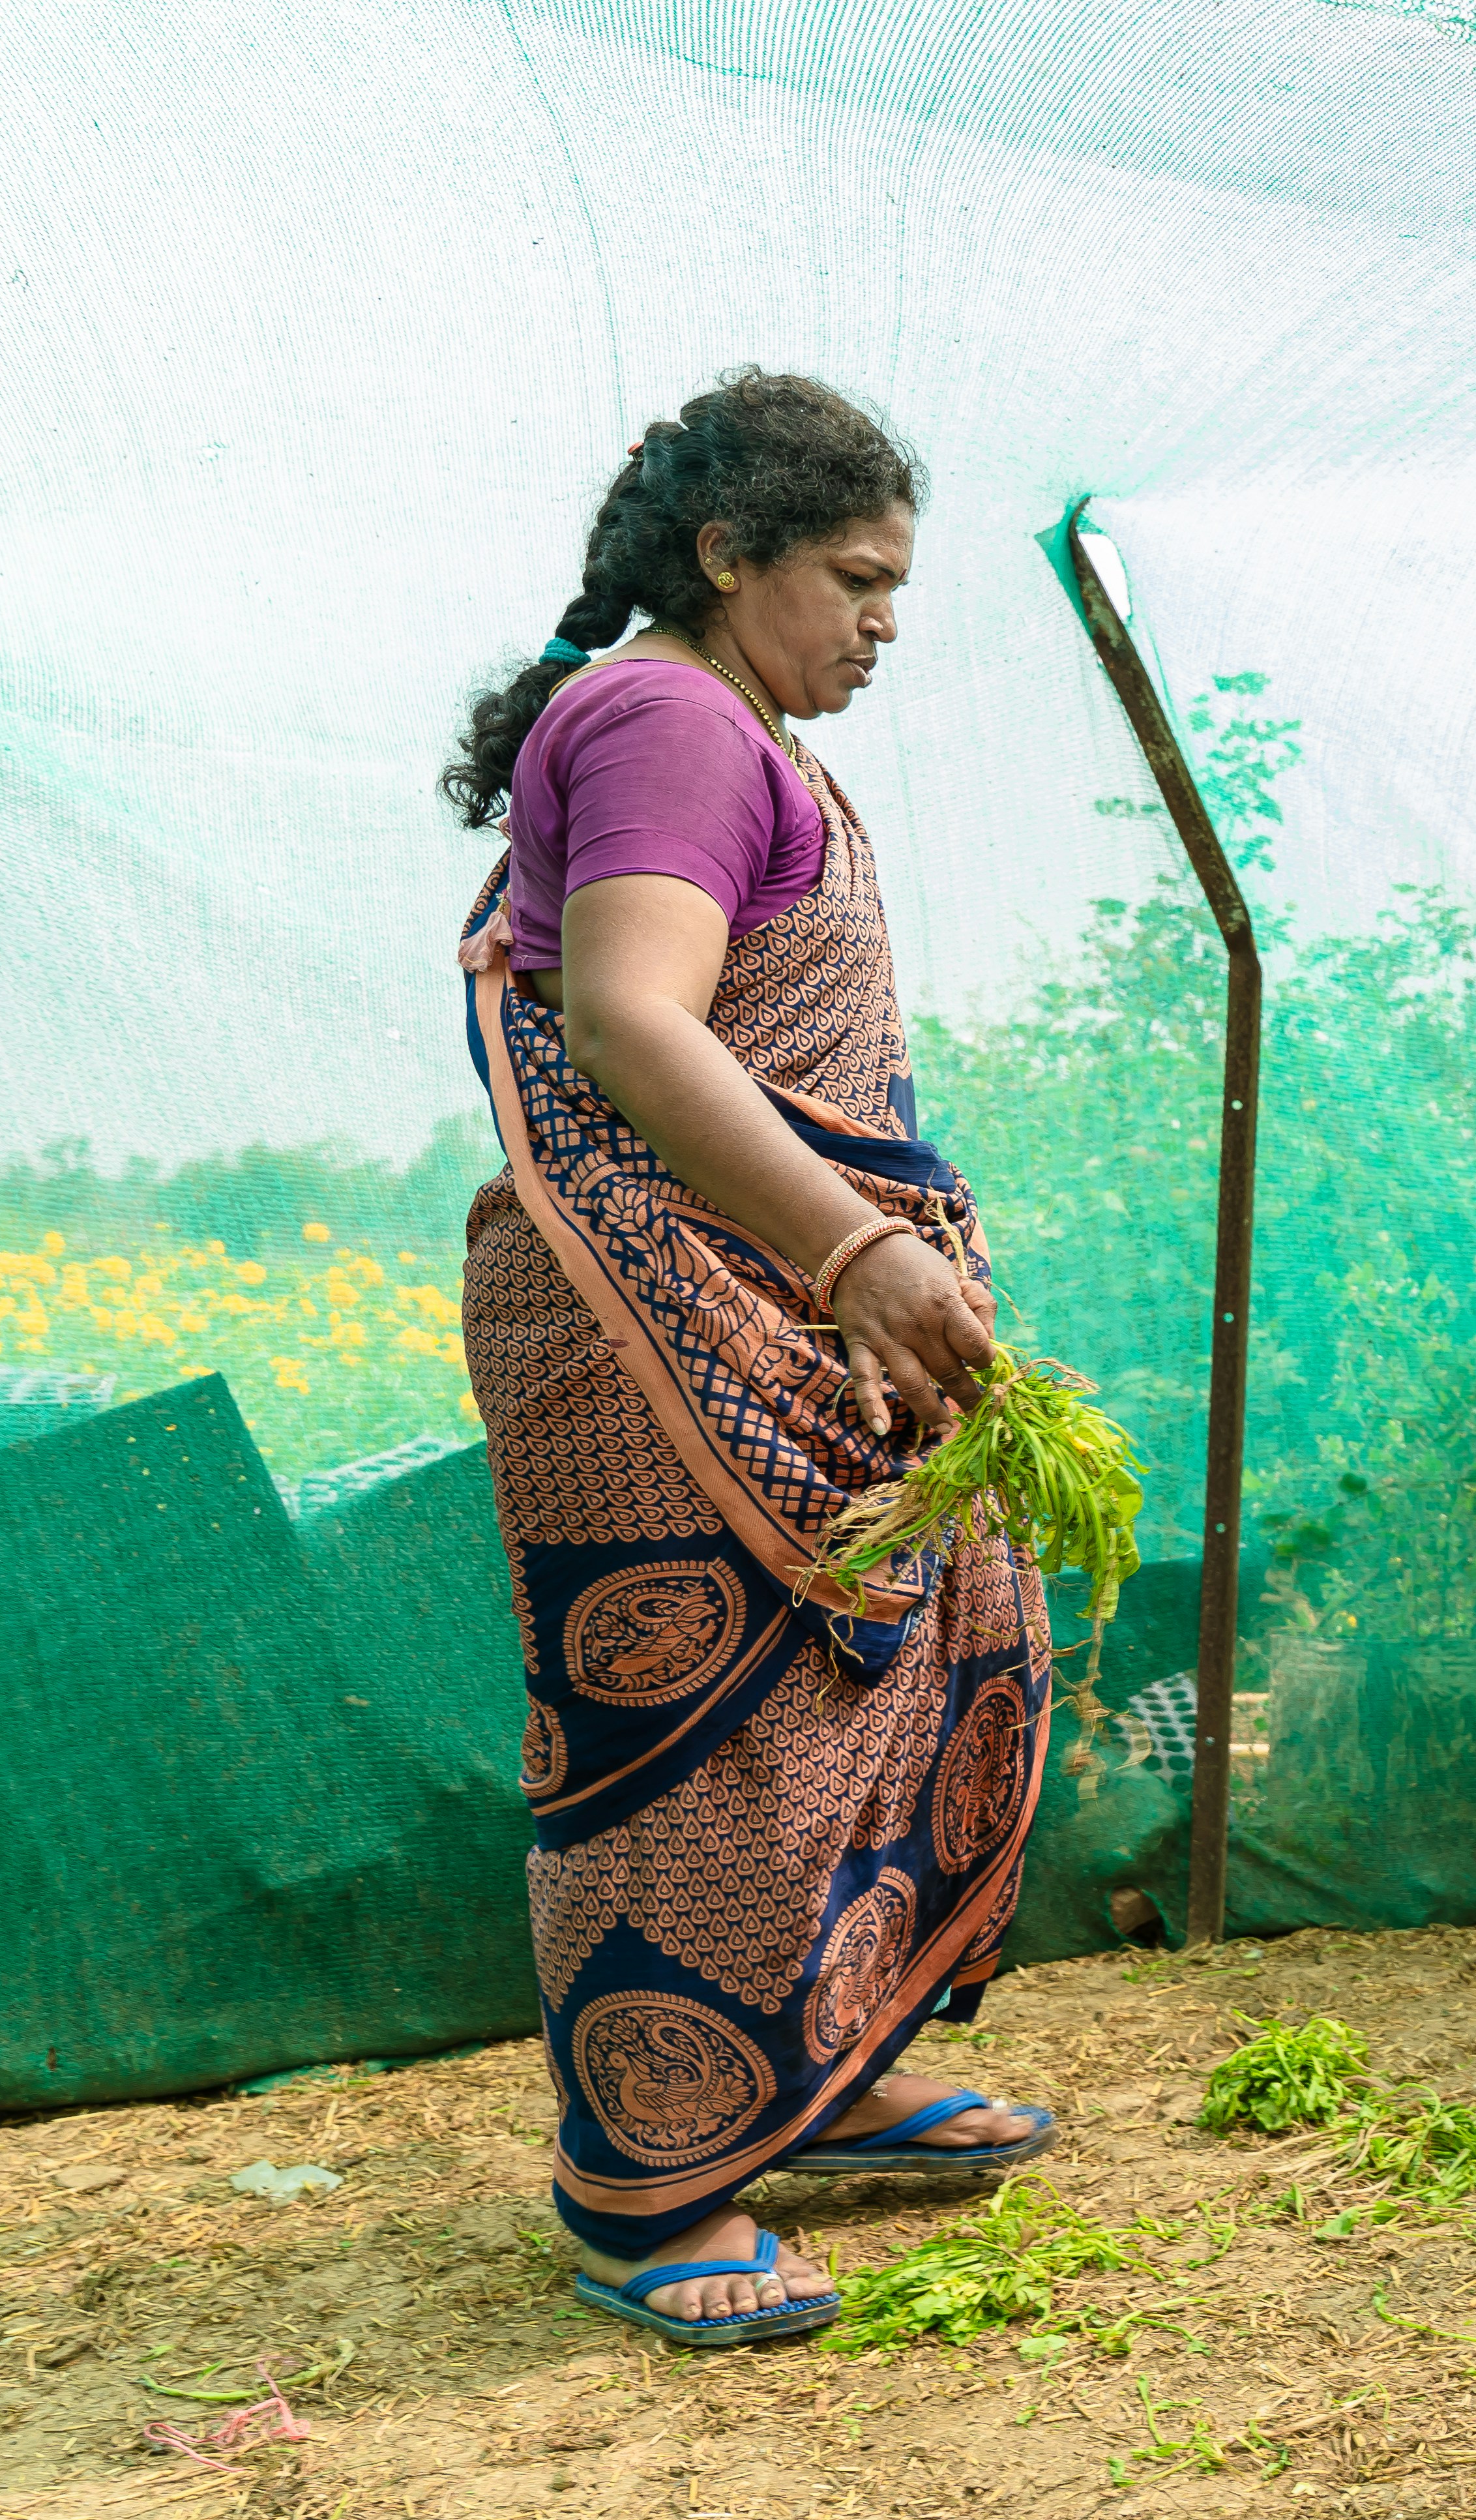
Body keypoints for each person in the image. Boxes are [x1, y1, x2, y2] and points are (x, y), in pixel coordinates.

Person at [445, 370, 1054, 2345]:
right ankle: (647, 2193)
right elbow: (634, 1018)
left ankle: (823, 2071)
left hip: (772, 1311)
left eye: (900, 588)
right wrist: (857, 1250)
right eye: (857, 578)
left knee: (844, 1695)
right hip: (658, 1330)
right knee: (693, 1753)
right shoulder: (666, 720)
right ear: (729, 557)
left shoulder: (725, 730)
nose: (886, 622)